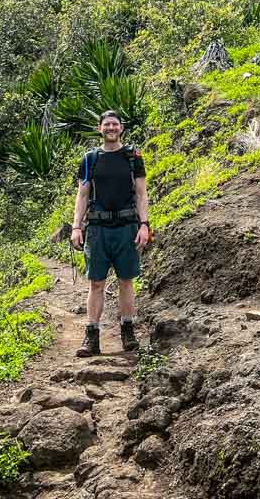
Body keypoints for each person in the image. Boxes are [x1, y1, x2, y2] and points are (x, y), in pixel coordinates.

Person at [71, 110, 151, 356]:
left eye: (115, 124)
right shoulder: (90, 159)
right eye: (107, 124)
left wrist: (144, 225)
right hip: (97, 229)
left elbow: (141, 193)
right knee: (96, 283)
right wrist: (76, 226)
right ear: (100, 128)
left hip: (127, 227)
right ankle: (91, 336)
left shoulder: (132, 157)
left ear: (121, 128)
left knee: (126, 281)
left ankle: (128, 331)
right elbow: (83, 194)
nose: (111, 128)